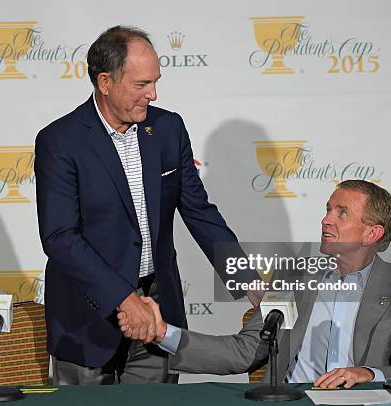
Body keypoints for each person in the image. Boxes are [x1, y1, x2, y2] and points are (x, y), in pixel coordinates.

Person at [34, 25, 257, 385]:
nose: (152, 94)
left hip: (158, 307)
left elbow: (199, 211)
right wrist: (124, 299)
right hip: (88, 314)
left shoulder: (168, 129)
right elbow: (60, 237)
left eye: (155, 82)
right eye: (141, 85)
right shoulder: (60, 141)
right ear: (105, 82)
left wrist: (246, 278)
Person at [119, 180, 391, 388]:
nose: (326, 220)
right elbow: (242, 352)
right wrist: (163, 333)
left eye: (342, 213)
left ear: (372, 234)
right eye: (327, 210)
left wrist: (367, 373)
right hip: (292, 400)